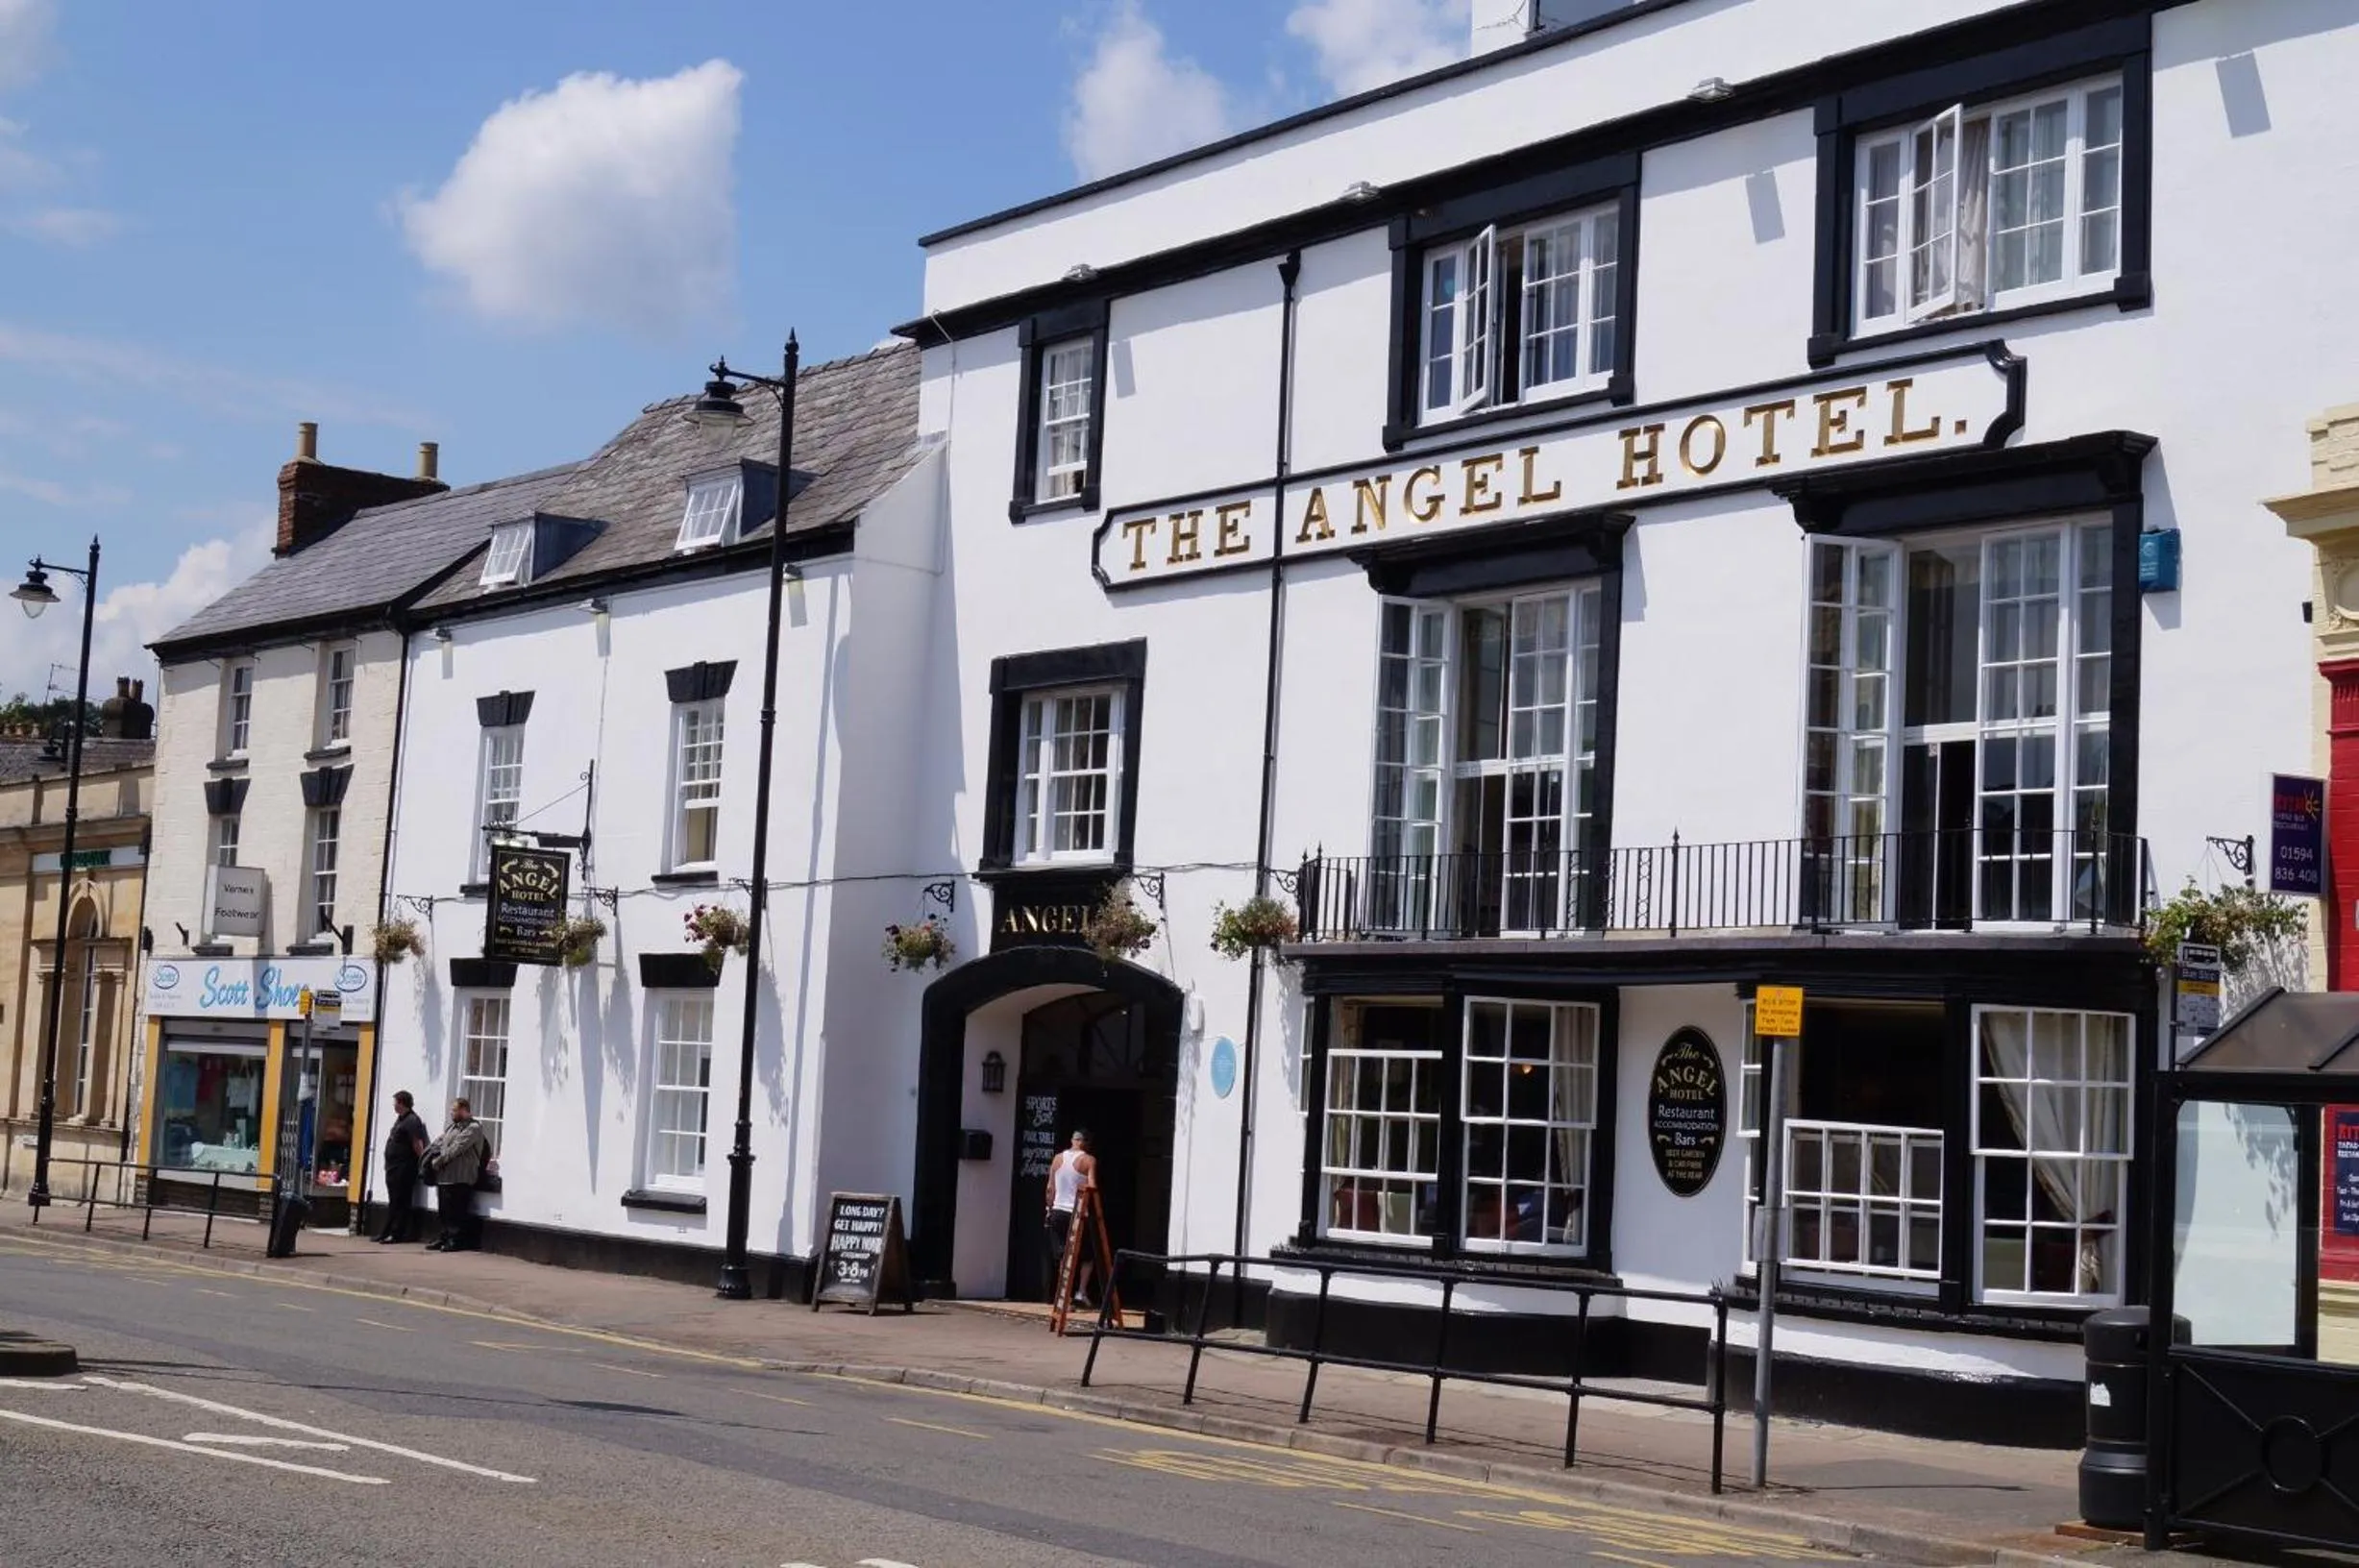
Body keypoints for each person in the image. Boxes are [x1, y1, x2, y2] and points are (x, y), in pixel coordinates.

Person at [420, 1098, 495, 1253]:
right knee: (444, 1210)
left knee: (457, 1211)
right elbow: (439, 1143)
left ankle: (456, 1240)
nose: (451, 1113)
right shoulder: (452, 1128)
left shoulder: (473, 1128)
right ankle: (444, 1237)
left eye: (454, 1110)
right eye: (451, 1110)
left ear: (464, 1110)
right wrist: (427, 1157)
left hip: (461, 1176)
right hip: (445, 1177)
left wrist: (437, 1162)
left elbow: (457, 1148)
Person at [1043, 1128, 1097, 1307]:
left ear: (1073, 1140)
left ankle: (1063, 1298)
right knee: (1087, 1256)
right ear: (1086, 1143)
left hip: (1058, 1211)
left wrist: (1049, 1210)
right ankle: (1081, 1292)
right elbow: (1092, 1187)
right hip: (1077, 1213)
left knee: (1064, 1257)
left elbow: (1050, 1188)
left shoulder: (1057, 1158)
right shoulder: (1088, 1160)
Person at [375, 1090, 430, 1243]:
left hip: (404, 1168)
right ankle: (386, 1231)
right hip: (393, 1167)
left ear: (402, 1103)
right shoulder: (401, 1120)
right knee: (394, 1200)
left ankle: (396, 1233)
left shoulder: (412, 1120)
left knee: (401, 1201)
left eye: (396, 1102)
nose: (394, 1105)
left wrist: (423, 1164)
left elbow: (418, 1144)